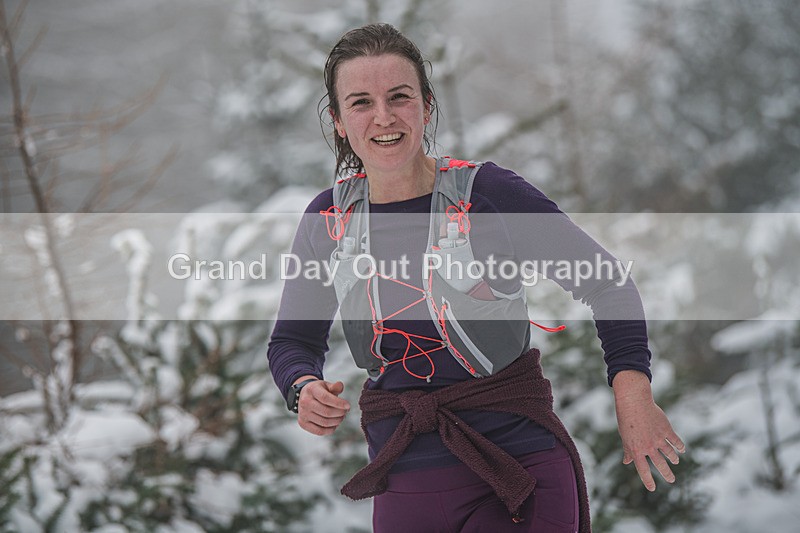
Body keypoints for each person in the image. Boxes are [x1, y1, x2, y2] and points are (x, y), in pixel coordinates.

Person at [268, 23, 685, 533]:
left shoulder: (491, 195)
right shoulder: (328, 221)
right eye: (360, 102)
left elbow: (606, 283)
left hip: (516, 474)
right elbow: (292, 340)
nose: (383, 117)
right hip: (405, 488)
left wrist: (633, 395)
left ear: (426, 104)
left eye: (400, 96)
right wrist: (303, 385)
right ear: (337, 120)